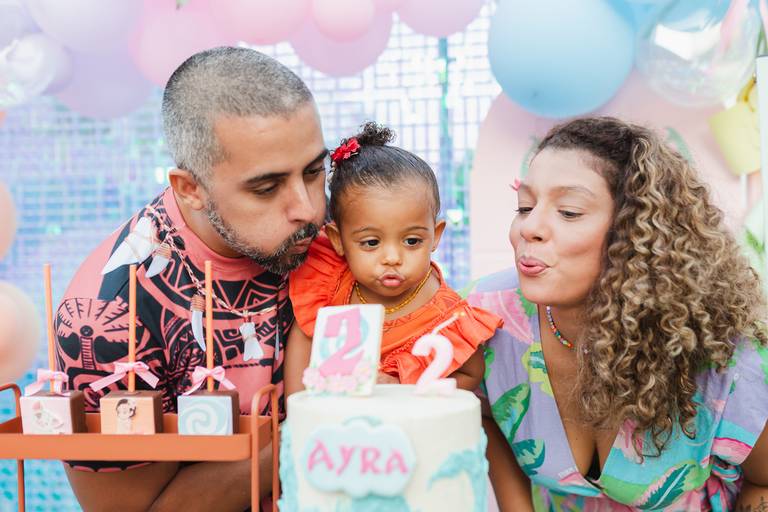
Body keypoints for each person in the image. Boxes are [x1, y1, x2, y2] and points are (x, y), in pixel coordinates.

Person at [54, 47, 328, 511]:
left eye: (315, 171)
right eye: (266, 188)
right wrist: (312, 432)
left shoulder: (345, 231)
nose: (308, 208)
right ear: (190, 188)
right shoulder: (108, 316)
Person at [468, 117, 768, 511]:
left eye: (568, 211)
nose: (529, 227)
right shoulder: (487, 317)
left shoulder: (722, 353)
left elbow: (764, 481)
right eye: (525, 206)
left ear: (639, 235)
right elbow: (483, 414)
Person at [285, 122, 501, 395]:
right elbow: (305, 342)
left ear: (435, 236)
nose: (392, 258)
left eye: (411, 241)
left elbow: (470, 373)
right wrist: (297, 410)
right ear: (338, 240)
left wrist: (402, 388)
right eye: (371, 243)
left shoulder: (447, 316)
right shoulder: (329, 285)